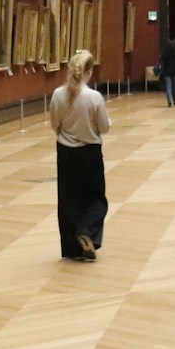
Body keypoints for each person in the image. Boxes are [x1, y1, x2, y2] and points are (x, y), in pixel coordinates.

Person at [50, 48, 111, 261]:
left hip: (65, 152)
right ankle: (86, 231)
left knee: (68, 199)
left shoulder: (58, 94)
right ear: (89, 71)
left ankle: (72, 249)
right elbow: (104, 128)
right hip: (90, 152)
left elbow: (54, 124)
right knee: (96, 198)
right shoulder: (94, 97)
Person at [159, 36, 175, 107]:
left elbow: (161, 61)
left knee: (168, 87)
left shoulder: (165, 53)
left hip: (167, 72)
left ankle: (169, 101)